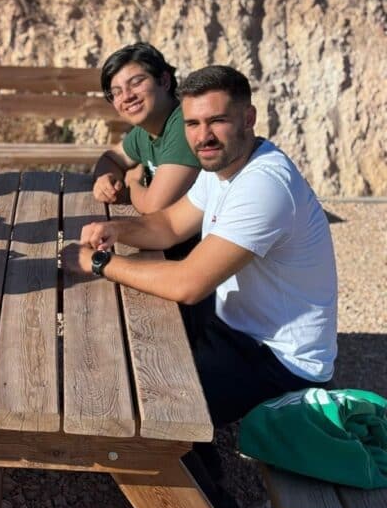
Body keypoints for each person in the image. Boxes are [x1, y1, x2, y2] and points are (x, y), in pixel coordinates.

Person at [65, 64, 338, 427]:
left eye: (217, 121)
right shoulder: (223, 168)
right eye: (192, 124)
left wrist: (97, 263)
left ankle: (199, 482)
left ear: (248, 118)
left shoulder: (264, 185)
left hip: (281, 363)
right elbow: (169, 225)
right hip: (236, 332)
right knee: (123, 356)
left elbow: (188, 285)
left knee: (141, 406)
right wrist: (116, 229)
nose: (203, 136)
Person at [92, 42, 200, 216]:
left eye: (136, 83)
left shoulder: (184, 124)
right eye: (117, 92)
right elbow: (112, 158)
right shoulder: (145, 130)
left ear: (164, 81)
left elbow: (154, 207)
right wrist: (105, 180)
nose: (127, 96)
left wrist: (133, 182)